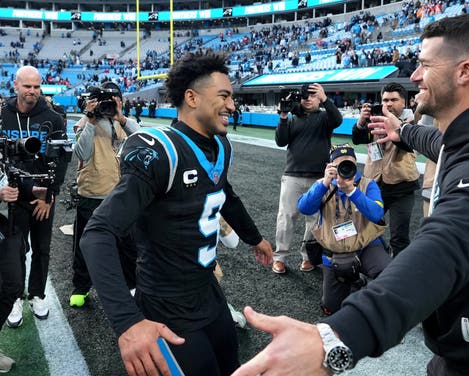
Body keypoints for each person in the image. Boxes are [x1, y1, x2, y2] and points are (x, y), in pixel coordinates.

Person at [231, 13, 469, 376]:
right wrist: (404, 131)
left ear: (464, 71)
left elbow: (444, 250)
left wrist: (338, 337)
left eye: (424, 65)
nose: (415, 76)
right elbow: (445, 145)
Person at [80, 51, 274, 376]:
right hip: (165, 301)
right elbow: (98, 233)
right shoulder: (161, 151)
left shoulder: (221, 145)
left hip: (207, 288)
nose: (232, 105)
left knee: (232, 366)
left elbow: (223, 192)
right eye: (224, 96)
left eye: (232, 97)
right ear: (192, 97)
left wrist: (254, 237)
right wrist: (127, 322)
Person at [1, 65, 68, 328]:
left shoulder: (53, 117)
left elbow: (62, 160)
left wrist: (48, 196)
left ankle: (37, 294)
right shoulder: (2, 115)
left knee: (42, 249)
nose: (32, 91)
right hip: (14, 195)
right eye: (27, 86)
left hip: (42, 195)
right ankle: (15, 296)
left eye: (37, 86)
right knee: (14, 250)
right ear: (15, 85)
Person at [69, 82, 141, 307]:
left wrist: (120, 117)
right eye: (105, 101)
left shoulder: (122, 122)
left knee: (128, 245)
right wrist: (90, 120)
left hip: (120, 194)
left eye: (114, 100)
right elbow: (82, 152)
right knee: (85, 244)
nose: (109, 105)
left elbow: (143, 138)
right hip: (92, 192)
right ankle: (81, 287)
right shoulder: (84, 121)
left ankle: (132, 285)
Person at [297, 144, 391, 315]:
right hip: (334, 251)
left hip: (366, 246)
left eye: (350, 163)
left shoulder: (367, 185)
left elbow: (377, 214)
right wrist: (325, 183)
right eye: (340, 164)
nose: (346, 168)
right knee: (331, 308)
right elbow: (304, 208)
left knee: (389, 274)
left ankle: (377, 310)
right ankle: (355, 280)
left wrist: (353, 191)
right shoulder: (322, 185)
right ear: (330, 166)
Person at [272, 83, 343, 274]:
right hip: (292, 174)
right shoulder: (292, 118)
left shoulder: (325, 117)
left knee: (314, 220)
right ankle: (280, 257)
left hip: (319, 178)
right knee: (286, 218)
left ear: (319, 97)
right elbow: (280, 141)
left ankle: (308, 257)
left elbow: (338, 120)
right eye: (305, 96)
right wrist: (283, 116)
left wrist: (326, 99)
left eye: (313, 95)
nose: (308, 99)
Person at [352, 82, 418, 256]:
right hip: (374, 184)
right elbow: (358, 139)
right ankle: (373, 263)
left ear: (404, 102)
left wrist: (394, 127)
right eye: (385, 100)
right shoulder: (375, 118)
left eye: (394, 100)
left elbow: (408, 144)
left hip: (401, 187)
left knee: (399, 236)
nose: (388, 104)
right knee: (366, 229)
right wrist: (361, 122)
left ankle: (398, 276)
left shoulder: (412, 122)